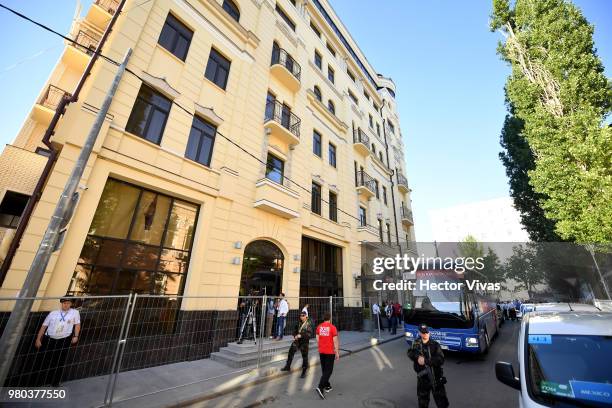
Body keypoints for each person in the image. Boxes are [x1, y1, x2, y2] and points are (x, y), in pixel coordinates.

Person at [34, 296, 81, 386]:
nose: (66, 305)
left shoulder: (75, 313)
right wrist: (38, 339)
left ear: (71, 304)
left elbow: (77, 325)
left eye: (68, 303)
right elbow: (43, 327)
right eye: (64, 303)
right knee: (45, 361)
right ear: (61, 303)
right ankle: (40, 382)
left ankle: (55, 383)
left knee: (60, 361)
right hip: (49, 340)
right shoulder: (53, 313)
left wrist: (76, 336)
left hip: (64, 340)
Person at [407, 324, 449, 408]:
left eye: (426, 332)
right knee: (423, 402)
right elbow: (410, 352)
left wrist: (426, 361)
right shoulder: (416, 343)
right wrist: (417, 357)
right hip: (422, 380)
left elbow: (441, 359)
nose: (425, 334)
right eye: (423, 332)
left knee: (442, 403)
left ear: (429, 333)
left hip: (435, 378)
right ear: (419, 333)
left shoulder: (435, 345)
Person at [281, 311, 313, 378]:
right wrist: (295, 335)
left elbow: (309, 334)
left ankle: (304, 372)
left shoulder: (309, 323)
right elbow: (294, 331)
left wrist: (300, 335)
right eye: (301, 315)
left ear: (306, 316)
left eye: (303, 315)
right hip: (297, 341)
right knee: (291, 352)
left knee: (304, 357)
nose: (301, 317)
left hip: (304, 342)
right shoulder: (298, 322)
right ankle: (287, 366)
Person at [315, 312, 339, 399]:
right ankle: (320, 387)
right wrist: (337, 352)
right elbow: (335, 341)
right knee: (328, 371)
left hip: (322, 351)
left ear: (323, 318)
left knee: (325, 370)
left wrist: (322, 344)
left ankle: (327, 386)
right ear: (330, 318)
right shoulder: (332, 328)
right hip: (330, 352)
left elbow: (317, 338)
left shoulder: (319, 327)